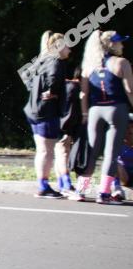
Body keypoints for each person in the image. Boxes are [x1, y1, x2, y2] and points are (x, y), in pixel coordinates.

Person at [78, 30, 133, 204]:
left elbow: (83, 94)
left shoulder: (89, 65)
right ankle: (104, 193)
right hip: (116, 109)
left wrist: (85, 113)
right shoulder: (121, 63)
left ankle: (81, 190)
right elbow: (130, 90)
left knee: (93, 152)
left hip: (95, 111)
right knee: (111, 153)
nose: (122, 45)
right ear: (111, 44)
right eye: (120, 42)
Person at [23, 31, 69, 198]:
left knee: (41, 150)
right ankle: (43, 187)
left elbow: (26, 76)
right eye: (66, 45)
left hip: (33, 110)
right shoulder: (54, 61)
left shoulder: (41, 60)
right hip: (46, 111)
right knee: (46, 151)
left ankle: (42, 184)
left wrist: (36, 91)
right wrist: (50, 92)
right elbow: (53, 80)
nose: (69, 49)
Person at [57, 66, 83, 195]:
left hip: (59, 124)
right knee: (66, 153)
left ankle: (62, 184)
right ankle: (69, 185)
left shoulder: (64, 85)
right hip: (69, 126)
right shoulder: (79, 89)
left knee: (61, 154)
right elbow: (74, 113)